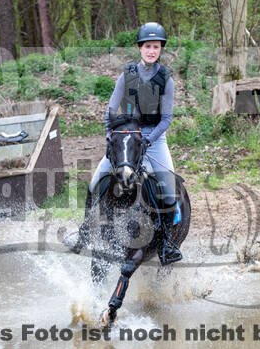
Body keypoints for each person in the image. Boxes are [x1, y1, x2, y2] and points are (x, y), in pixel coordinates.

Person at [70, 22, 182, 265]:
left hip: (154, 138)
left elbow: (166, 119)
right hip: (127, 135)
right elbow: (110, 110)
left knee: (170, 189)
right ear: (140, 48)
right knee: (94, 182)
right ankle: (84, 233)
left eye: (156, 46)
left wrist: (148, 141)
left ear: (160, 49)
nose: (151, 50)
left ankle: (167, 245)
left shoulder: (166, 79)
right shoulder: (127, 75)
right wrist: (111, 136)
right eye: (147, 46)